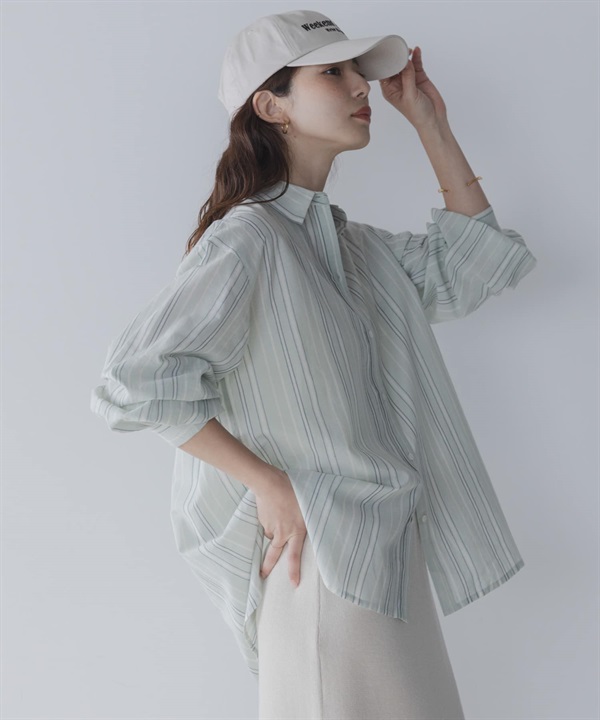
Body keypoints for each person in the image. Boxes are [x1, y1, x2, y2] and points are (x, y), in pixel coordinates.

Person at [90, 9, 537, 719]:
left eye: (356, 69)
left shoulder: (351, 247)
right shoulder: (249, 240)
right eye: (332, 72)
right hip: (323, 560)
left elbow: (473, 266)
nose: (360, 85)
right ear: (272, 107)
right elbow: (130, 383)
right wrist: (267, 484)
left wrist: (431, 125)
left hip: (388, 559)